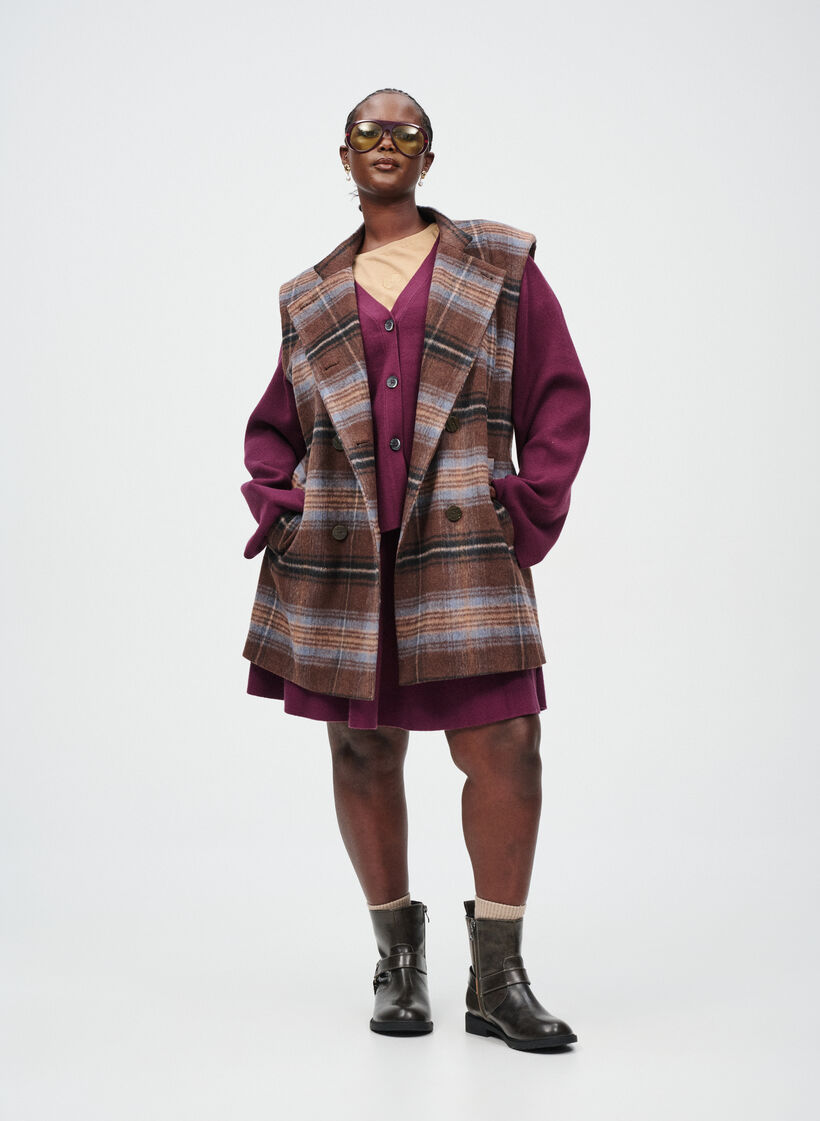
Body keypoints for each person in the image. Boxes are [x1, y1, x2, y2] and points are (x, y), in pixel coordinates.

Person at [240, 87, 591, 1051]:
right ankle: (399, 962)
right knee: (362, 750)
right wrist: (282, 500)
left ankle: (498, 978)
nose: (386, 143)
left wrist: (527, 503)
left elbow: (558, 394)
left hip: (467, 544)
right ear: (344, 157)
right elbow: (275, 425)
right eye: (368, 131)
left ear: (428, 158)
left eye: (406, 132)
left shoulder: (500, 264)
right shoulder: (309, 296)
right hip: (343, 556)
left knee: (507, 742)